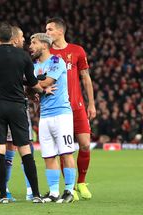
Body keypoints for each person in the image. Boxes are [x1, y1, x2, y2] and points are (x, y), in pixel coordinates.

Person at [0, 22, 54, 204]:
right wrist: (42, 91)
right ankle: (37, 195)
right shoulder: (23, 56)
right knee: (25, 149)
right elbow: (33, 83)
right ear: (12, 37)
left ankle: (2, 195)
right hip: (17, 106)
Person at [46, 17, 96, 200]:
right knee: (64, 150)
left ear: (60, 31)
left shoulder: (77, 51)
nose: (47, 33)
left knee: (84, 144)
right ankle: (70, 188)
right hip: (58, 108)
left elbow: (86, 78)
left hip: (77, 106)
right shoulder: (47, 53)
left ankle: (81, 182)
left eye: (50, 29)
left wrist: (91, 103)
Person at [29, 33, 76, 203]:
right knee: (48, 156)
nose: (30, 46)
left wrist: (34, 86)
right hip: (45, 116)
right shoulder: (33, 66)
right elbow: (28, 89)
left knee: (66, 153)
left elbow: (47, 82)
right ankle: (54, 192)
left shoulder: (56, 61)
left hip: (62, 114)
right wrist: (33, 88)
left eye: (33, 42)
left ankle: (69, 190)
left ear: (44, 45)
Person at [4, 26, 37, 201]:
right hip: (11, 107)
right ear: (15, 39)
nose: (24, 40)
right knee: (12, 147)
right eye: (22, 37)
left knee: (26, 146)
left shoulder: (24, 58)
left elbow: (27, 83)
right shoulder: (7, 57)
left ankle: (30, 189)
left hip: (19, 107)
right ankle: (6, 188)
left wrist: (33, 92)